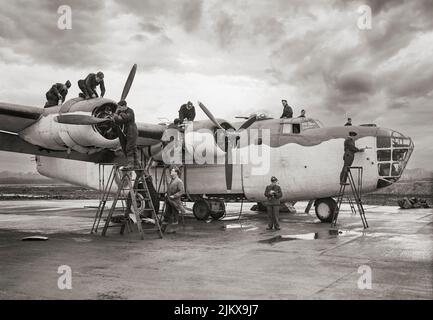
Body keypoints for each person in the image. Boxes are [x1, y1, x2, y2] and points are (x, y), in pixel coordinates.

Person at [112, 100, 139, 170]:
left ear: (124, 106)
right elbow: (118, 121)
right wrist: (116, 113)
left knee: (129, 148)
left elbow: (126, 118)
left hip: (132, 130)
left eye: (120, 107)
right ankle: (136, 164)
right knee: (133, 148)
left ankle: (131, 164)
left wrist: (119, 113)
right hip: (128, 131)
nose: (119, 109)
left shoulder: (130, 111)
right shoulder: (122, 112)